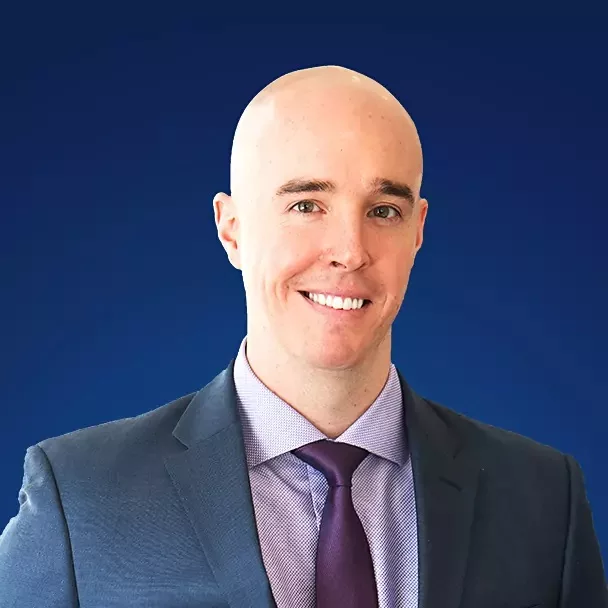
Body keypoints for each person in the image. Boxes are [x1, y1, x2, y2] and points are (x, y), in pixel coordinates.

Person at [0, 65, 606, 608]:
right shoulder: (79, 497)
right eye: (307, 204)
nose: (350, 251)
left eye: (384, 211)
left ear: (418, 231)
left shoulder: (543, 500)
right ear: (232, 229)